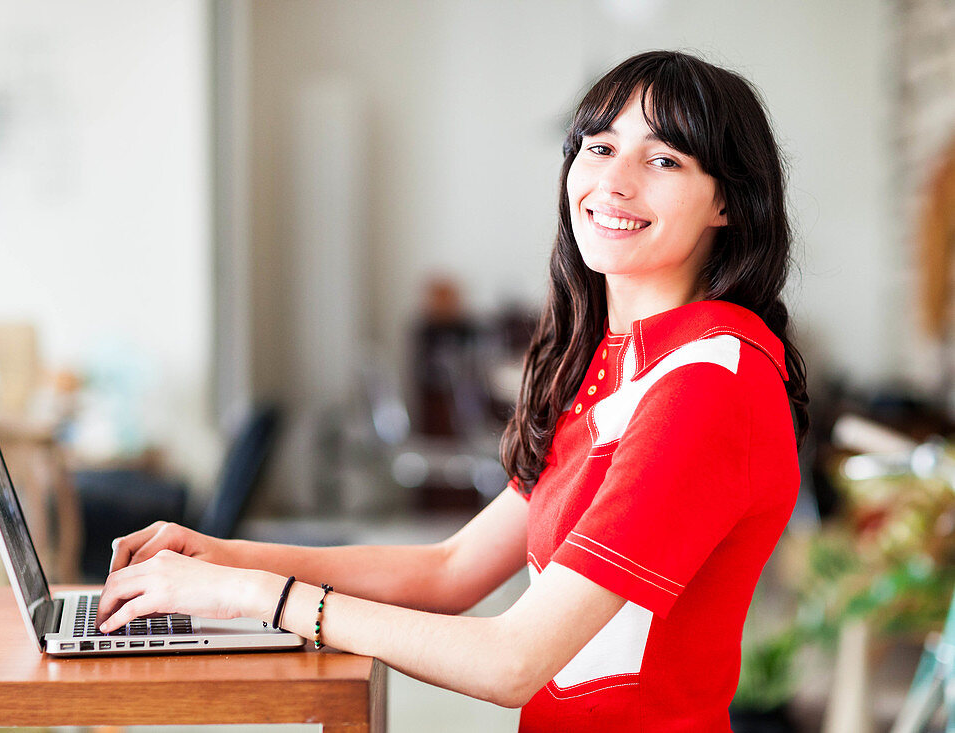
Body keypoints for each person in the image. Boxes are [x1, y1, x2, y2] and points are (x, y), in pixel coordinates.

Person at [96, 49, 807, 732]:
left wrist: (254, 597)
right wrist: (223, 555)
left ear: (728, 203)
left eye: (662, 159)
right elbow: (451, 568)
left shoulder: (708, 384)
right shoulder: (618, 361)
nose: (615, 182)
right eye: (598, 147)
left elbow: (512, 660)